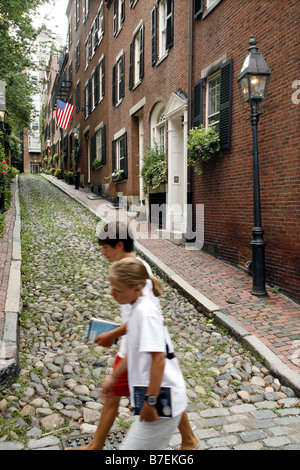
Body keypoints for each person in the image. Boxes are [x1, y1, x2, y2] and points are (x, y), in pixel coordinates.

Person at [68, 221, 198, 450]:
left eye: (105, 247)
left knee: (153, 392)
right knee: (146, 393)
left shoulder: (138, 277)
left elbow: (151, 336)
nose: (102, 252)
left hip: (140, 350)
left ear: (119, 245)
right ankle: (187, 438)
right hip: (136, 350)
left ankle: (96, 445)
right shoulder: (126, 272)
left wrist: (112, 334)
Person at [101, 257, 187, 450]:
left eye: (118, 289)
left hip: (162, 399)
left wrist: (150, 401)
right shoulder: (138, 309)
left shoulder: (146, 313)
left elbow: (159, 361)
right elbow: (133, 351)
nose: (112, 294)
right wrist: (113, 378)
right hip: (156, 396)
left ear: (137, 289)